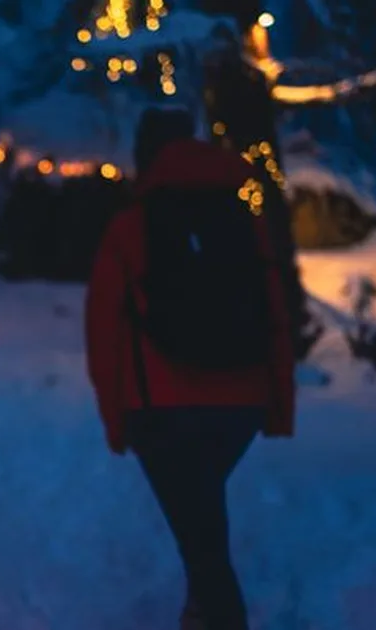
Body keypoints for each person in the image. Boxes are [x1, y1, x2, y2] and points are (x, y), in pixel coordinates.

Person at [84, 106, 296, 630]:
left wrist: (117, 421)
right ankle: (202, 612)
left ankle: (217, 615)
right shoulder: (244, 218)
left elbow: (103, 330)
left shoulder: (130, 226)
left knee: (201, 538)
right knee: (202, 522)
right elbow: (276, 312)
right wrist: (276, 405)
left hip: (161, 410)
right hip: (240, 404)